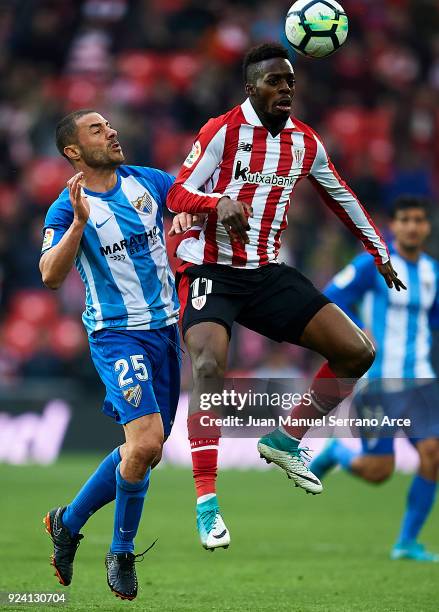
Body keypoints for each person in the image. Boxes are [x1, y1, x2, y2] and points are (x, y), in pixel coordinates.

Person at [166, 42, 405, 551]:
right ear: (251, 87)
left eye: (290, 82)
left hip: (266, 273)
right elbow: (177, 192)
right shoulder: (221, 130)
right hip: (211, 268)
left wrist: (378, 250)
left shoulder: (304, 142)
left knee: (357, 351)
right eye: (275, 82)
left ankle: (285, 440)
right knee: (208, 366)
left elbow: (339, 193)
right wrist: (217, 201)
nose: (286, 90)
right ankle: (207, 504)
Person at [40, 109, 182, 600]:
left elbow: (187, 199)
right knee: (144, 444)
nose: (112, 131)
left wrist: (194, 209)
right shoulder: (66, 209)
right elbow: (50, 274)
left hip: (166, 331)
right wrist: (80, 224)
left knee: (147, 451)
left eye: (109, 125)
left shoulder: (149, 182)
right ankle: (121, 551)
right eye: (96, 129)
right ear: (73, 152)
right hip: (118, 335)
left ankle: (68, 521)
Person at [310, 195, 439, 562]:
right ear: (393, 226)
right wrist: (355, 328)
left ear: (427, 227)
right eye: (405, 220)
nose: (413, 226)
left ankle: (407, 542)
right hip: (379, 381)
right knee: (380, 471)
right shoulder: (372, 265)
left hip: (422, 382)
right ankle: (338, 452)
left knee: (433, 455)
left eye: (419, 220)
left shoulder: (433, 273)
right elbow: (331, 296)